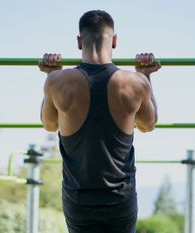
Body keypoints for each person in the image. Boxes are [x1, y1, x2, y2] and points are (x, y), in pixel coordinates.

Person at [38, 10, 161, 233]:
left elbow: (49, 124)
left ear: (78, 42)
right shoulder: (136, 83)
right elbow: (147, 125)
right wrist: (145, 75)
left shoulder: (58, 81)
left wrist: (50, 74)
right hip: (119, 199)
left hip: (79, 200)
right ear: (114, 41)